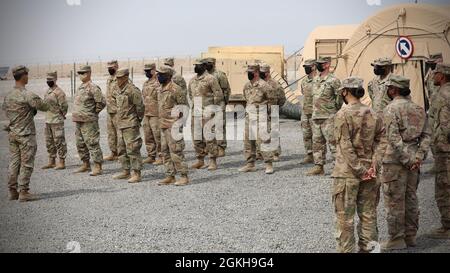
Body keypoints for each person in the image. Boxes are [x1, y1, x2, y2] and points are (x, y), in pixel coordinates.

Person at [378, 75, 431, 250]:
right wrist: (418, 157)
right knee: (411, 197)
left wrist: (407, 159)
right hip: (413, 160)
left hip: (395, 161)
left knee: (394, 200)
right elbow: (426, 136)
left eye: (389, 88)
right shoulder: (418, 108)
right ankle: (411, 236)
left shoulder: (390, 109)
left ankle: (396, 238)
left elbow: (393, 138)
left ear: (394, 90)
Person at [332, 77, 383, 253]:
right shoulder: (373, 113)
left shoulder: (342, 114)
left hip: (348, 174)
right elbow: (381, 141)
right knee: (369, 216)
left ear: (345, 91)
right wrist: (373, 165)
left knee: (345, 219)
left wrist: (360, 170)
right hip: (370, 172)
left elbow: (345, 146)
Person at [2, 66, 49, 202]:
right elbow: (44, 106)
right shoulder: (27, 94)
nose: (28, 77)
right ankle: (23, 192)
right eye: (27, 75)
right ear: (23, 76)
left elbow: (6, 110)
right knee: (27, 163)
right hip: (26, 135)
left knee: (14, 162)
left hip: (13, 133)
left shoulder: (9, 95)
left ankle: (12, 191)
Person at [307, 57, 342, 176]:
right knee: (317, 143)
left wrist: (334, 111)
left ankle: (338, 168)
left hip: (329, 117)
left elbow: (339, 99)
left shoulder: (334, 80)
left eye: (321, 64)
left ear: (327, 65)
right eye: (318, 64)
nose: (318, 66)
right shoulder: (315, 79)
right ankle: (319, 166)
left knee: (333, 143)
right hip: (316, 116)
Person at [426, 63, 450, 239]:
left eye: (435, 74)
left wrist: (439, 143)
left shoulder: (442, 95)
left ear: (442, 76)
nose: (433, 76)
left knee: (443, 188)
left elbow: (445, 125)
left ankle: (447, 226)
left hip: (444, 149)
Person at [239, 63, 276, 175]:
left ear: (256, 73)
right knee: (248, 142)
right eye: (248, 72)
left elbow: (272, 101)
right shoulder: (247, 86)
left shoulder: (265, 86)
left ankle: (268, 164)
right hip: (249, 117)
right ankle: (250, 164)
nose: (248, 74)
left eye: (251, 72)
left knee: (264, 141)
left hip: (261, 117)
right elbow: (246, 99)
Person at [156, 65, 190, 186]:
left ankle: (183, 176)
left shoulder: (176, 89)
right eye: (158, 74)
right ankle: (170, 175)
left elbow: (184, 107)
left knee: (176, 151)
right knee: (164, 151)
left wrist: (179, 124)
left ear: (168, 76)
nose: (158, 76)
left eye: (161, 74)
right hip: (163, 125)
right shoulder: (159, 89)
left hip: (173, 125)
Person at [188, 59, 224, 171]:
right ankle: (200, 160)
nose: (196, 67)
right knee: (197, 138)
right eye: (195, 65)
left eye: (198, 66)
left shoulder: (211, 79)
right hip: (196, 112)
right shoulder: (193, 80)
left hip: (208, 112)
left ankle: (212, 161)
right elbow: (190, 94)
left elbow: (218, 95)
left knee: (209, 137)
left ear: (203, 66)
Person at [112, 68, 145, 183]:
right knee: (121, 149)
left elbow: (140, 107)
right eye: (117, 78)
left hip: (130, 124)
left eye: (120, 78)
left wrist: (137, 120)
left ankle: (137, 173)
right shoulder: (117, 90)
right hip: (120, 124)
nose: (117, 80)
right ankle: (126, 171)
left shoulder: (132, 90)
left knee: (133, 149)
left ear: (126, 77)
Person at [72, 65, 106, 176]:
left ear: (89, 73)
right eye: (80, 73)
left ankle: (97, 166)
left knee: (92, 143)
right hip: (79, 120)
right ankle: (85, 164)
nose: (81, 75)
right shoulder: (81, 87)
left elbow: (101, 102)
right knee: (80, 143)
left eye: (84, 73)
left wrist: (93, 113)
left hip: (89, 121)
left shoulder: (93, 87)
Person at [41, 71, 68, 170]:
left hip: (56, 120)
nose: (48, 81)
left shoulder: (59, 92)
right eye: (47, 80)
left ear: (55, 79)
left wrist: (61, 115)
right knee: (49, 142)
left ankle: (61, 162)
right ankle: (51, 161)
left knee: (59, 141)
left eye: (50, 80)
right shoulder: (47, 91)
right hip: (48, 120)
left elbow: (64, 106)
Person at [204, 57, 231, 157]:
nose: (207, 65)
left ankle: (221, 147)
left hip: (219, 103)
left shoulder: (219, 74)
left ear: (214, 63)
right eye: (206, 63)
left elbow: (226, 90)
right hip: (207, 104)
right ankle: (210, 147)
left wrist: (224, 102)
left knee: (220, 126)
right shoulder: (203, 75)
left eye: (209, 63)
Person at [260, 63, 286, 162]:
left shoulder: (275, 84)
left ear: (267, 73)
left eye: (263, 73)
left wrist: (275, 107)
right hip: (262, 111)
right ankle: (262, 152)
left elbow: (282, 99)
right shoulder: (259, 84)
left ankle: (275, 153)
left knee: (274, 132)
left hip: (273, 110)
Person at [142, 63, 163, 165]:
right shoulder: (146, 83)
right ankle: (151, 155)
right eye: (145, 71)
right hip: (147, 113)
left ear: (154, 69)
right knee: (148, 135)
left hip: (156, 113)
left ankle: (161, 156)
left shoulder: (159, 82)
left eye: (148, 70)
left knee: (157, 136)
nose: (147, 72)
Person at [299, 59, 316, 165]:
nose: (306, 69)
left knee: (318, 136)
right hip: (305, 112)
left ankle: (319, 157)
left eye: (308, 67)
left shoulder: (319, 80)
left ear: (314, 67)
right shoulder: (304, 81)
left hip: (316, 112)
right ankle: (309, 155)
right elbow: (303, 93)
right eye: (305, 67)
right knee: (306, 135)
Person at [104, 60, 120, 161]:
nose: (110, 69)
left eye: (112, 67)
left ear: (117, 66)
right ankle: (113, 153)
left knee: (120, 134)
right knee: (111, 134)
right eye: (108, 68)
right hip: (110, 110)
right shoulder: (109, 79)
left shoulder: (121, 78)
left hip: (118, 111)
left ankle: (122, 154)